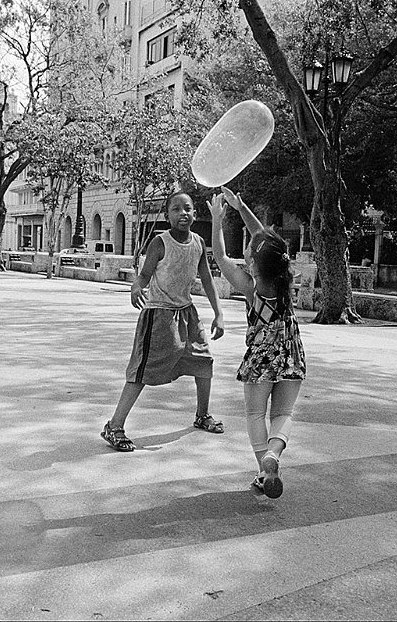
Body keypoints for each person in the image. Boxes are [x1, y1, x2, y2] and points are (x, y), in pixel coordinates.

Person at [100, 191, 225, 453]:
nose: (183, 213)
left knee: (204, 362)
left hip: (187, 313)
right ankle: (114, 426)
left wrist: (218, 313)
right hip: (159, 314)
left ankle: (202, 415)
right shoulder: (160, 242)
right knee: (143, 370)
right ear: (167, 215)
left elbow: (207, 278)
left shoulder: (199, 243)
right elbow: (145, 275)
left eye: (188, 208)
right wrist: (137, 286)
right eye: (176, 209)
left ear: (194, 213)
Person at [209, 188, 306, 499]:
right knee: (283, 414)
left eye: (250, 251)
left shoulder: (251, 287)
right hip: (290, 352)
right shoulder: (283, 278)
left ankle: (264, 471)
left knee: (255, 415)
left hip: (261, 357)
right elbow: (265, 241)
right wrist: (242, 208)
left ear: (252, 261)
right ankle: (273, 457)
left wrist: (217, 220)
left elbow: (221, 256)